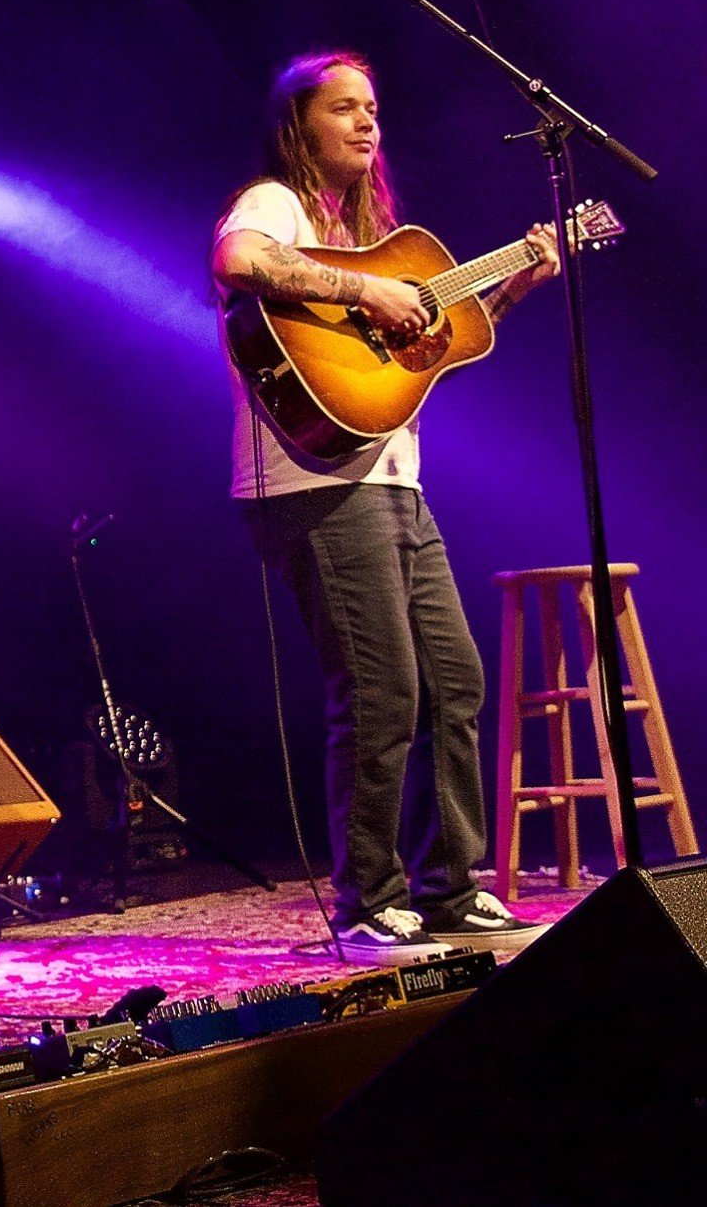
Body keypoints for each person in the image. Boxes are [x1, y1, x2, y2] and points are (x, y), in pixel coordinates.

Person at [211, 50, 558, 961]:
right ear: (299, 125)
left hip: (395, 481)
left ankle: (449, 888)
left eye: (372, 106)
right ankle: (370, 898)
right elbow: (237, 259)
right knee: (381, 688)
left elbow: (419, 361)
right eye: (344, 108)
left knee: (455, 678)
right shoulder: (276, 205)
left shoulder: (372, 235)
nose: (367, 121)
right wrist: (366, 287)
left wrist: (510, 287)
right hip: (319, 485)